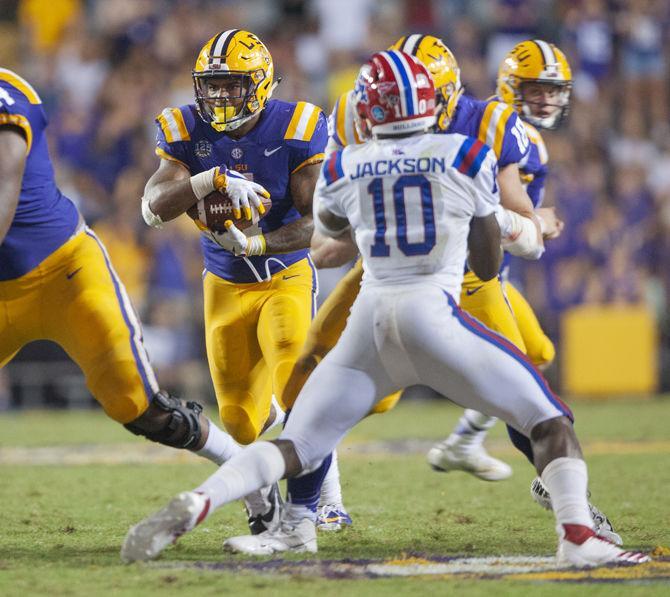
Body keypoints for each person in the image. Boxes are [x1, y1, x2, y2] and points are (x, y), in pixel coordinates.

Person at [120, 51, 649, 568]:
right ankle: (577, 532)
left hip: (370, 317)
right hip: (435, 316)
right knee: (548, 417)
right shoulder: (465, 155)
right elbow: (489, 266)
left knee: (299, 436)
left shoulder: (348, 162)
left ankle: (214, 504)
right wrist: (516, 227)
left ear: (367, 111)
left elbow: (328, 245)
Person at [0, 67, 249, 476]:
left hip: (63, 274)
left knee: (139, 406)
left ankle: (241, 465)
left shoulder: (7, 94)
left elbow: (4, 189)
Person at [428, 39, 620, 544]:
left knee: (540, 351)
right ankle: (558, 491)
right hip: (471, 273)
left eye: (554, 92)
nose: (547, 102)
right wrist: (537, 223)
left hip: (495, 274)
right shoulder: (495, 125)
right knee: (532, 395)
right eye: (535, 91)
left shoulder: (526, 136)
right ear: (511, 88)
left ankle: (465, 441)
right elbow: (496, 217)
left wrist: (531, 224)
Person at [140, 29, 332, 532]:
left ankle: (322, 502)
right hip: (223, 283)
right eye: (213, 85)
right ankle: (281, 455)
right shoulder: (183, 127)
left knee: (300, 393)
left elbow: (321, 223)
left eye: (232, 85)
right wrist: (211, 180)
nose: (220, 96)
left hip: (282, 277)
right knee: (239, 421)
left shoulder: (297, 126)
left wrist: (257, 244)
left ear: (261, 84)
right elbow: (153, 209)